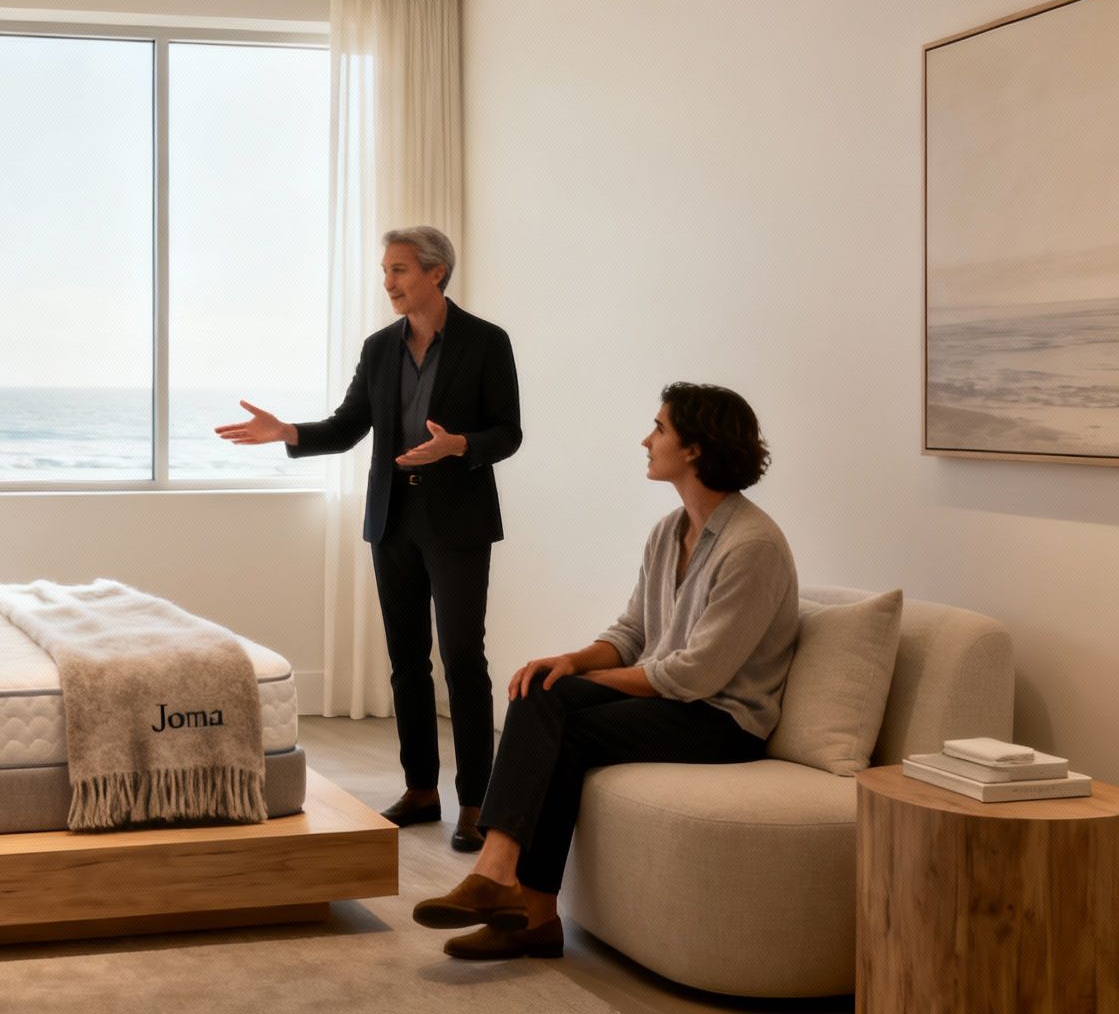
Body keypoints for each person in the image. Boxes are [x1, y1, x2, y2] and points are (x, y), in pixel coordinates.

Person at [409, 382, 798, 960]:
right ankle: (520, 901)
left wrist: (578, 683)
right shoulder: (670, 531)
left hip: (723, 723)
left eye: (660, 428)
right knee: (541, 692)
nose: (647, 439)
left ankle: (514, 893)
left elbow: (695, 676)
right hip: (674, 703)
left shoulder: (753, 546)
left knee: (558, 708)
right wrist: (569, 661)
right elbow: (633, 634)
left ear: (694, 448)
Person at [216, 226, 520, 852]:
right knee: (407, 662)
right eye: (385, 272)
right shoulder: (380, 348)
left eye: (400, 270)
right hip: (392, 522)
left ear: (437, 273)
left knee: (463, 662)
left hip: (458, 524)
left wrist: (458, 446)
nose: (389, 283)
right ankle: (421, 790)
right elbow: (350, 425)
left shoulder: (487, 342)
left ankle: (475, 802)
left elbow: (508, 432)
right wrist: (289, 432)